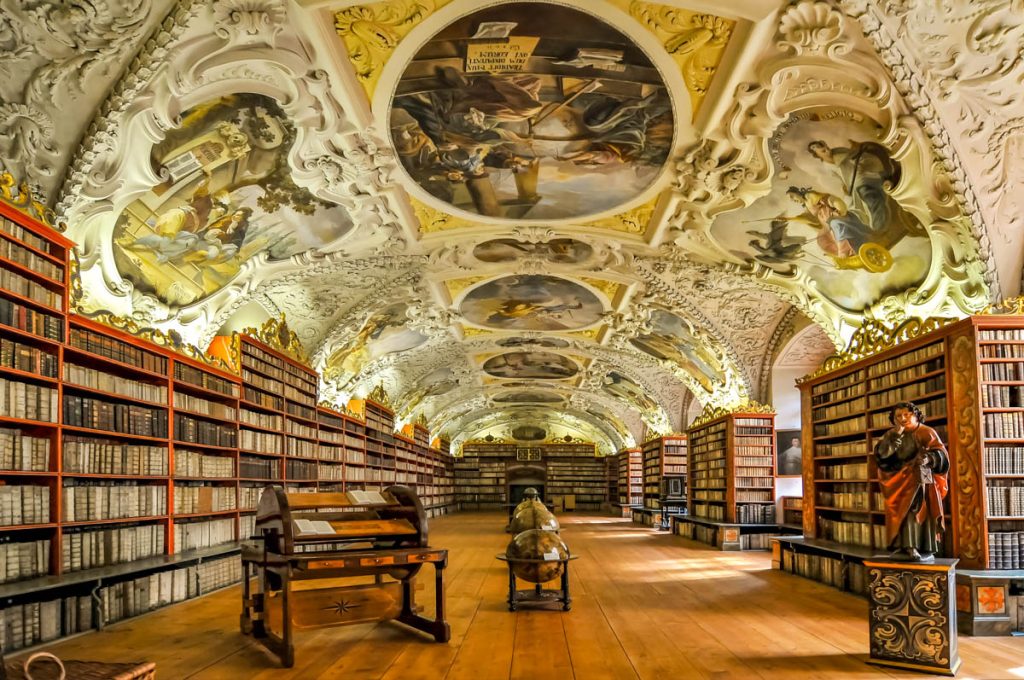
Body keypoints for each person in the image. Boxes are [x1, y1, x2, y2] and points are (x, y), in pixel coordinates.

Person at [873, 401, 949, 561]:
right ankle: (907, 546)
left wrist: (929, 458)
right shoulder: (891, 434)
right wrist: (894, 437)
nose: (903, 418)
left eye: (907, 415)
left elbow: (941, 454)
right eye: (898, 416)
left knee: (918, 512)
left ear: (916, 415)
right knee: (903, 514)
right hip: (899, 482)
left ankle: (924, 546)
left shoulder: (927, 432)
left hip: (921, 481)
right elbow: (882, 456)